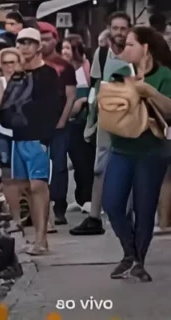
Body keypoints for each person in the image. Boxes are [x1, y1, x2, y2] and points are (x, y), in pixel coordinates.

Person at [101, 26, 171, 282]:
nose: (125, 49)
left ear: (145, 48)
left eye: (130, 45)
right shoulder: (120, 73)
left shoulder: (164, 75)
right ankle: (129, 254)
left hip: (151, 151)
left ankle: (138, 261)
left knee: (144, 208)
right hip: (121, 148)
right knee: (112, 203)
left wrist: (150, 92)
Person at [2, 27, 62, 254]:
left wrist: (45, 134)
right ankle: (37, 235)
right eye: (20, 43)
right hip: (18, 137)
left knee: (38, 185)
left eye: (28, 43)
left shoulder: (48, 74)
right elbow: (7, 105)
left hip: (38, 137)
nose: (23, 47)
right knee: (25, 187)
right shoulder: (18, 75)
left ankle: (41, 239)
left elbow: (52, 106)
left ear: (38, 47)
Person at [72, 12, 132, 236]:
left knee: (129, 163)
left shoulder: (135, 51)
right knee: (100, 166)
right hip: (106, 116)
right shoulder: (103, 52)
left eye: (123, 29)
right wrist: (92, 116)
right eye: (115, 28)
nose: (119, 33)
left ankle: (127, 215)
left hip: (130, 116)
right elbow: (96, 84)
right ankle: (94, 217)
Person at [37, 22, 77, 227]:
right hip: (36, 124)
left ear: (56, 39)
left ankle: (59, 206)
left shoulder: (65, 66)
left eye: (47, 39)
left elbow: (71, 96)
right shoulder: (31, 64)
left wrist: (62, 120)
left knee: (59, 166)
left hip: (59, 123)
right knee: (37, 167)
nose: (44, 43)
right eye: (40, 39)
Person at [60, 35, 94, 213]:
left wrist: (83, 101)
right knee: (74, 160)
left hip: (83, 121)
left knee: (84, 160)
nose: (64, 51)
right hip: (67, 120)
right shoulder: (60, 69)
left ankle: (88, 198)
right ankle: (80, 198)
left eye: (68, 48)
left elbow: (93, 90)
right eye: (63, 47)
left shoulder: (85, 67)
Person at [0, 48, 24, 190]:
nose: (9, 66)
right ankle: (6, 204)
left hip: (23, 133)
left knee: (21, 174)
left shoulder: (28, 81)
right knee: (6, 170)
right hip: (3, 131)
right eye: (5, 63)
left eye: (12, 62)